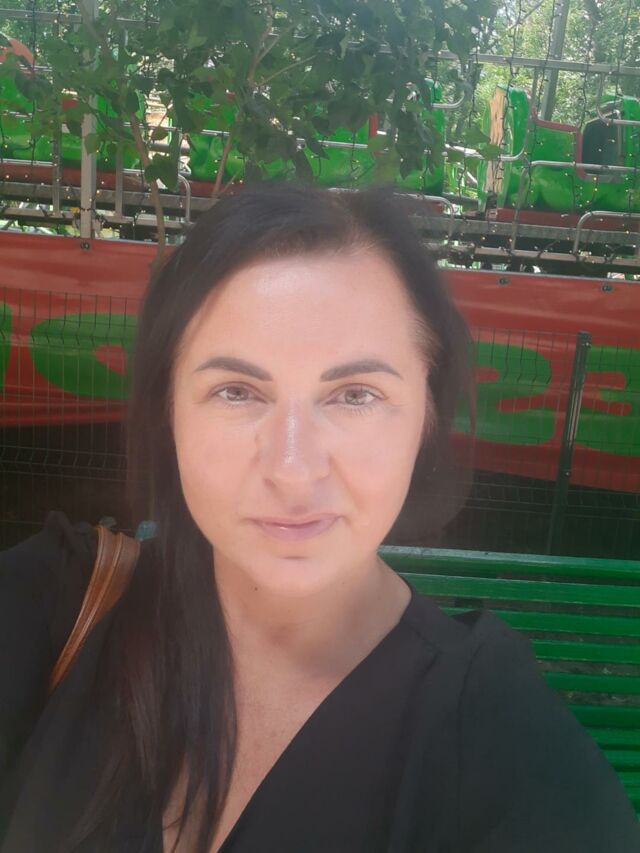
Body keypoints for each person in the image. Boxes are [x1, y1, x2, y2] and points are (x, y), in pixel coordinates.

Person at [0, 183, 638, 853]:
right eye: (237, 391)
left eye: (355, 394)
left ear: (427, 415)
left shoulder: (506, 749)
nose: (293, 469)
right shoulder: (58, 606)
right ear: (168, 412)